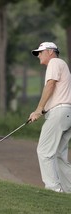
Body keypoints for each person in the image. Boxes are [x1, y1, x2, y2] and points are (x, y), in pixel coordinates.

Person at [28, 42, 71, 193]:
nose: (38, 55)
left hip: (60, 113)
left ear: (51, 52)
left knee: (44, 151)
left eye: (41, 52)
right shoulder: (61, 64)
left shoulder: (54, 62)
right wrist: (43, 110)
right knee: (59, 154)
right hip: (66, 113)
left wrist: (39, 109)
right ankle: (68, 191)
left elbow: (50, 85)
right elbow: (57, 94)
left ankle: (53, 190)